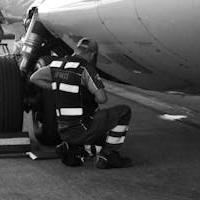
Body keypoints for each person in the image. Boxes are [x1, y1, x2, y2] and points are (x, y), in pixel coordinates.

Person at [30, 38, 133, 169]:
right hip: (82, 128)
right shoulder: (84, 68)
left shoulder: (57, 64)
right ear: (92, 54)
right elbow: (102, 99)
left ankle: (71, 147)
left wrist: (56, 86)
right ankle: (108, 156)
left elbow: (34, 78)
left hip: (63, 130)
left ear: (76, 50)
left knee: (99, 139)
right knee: (124, 111)